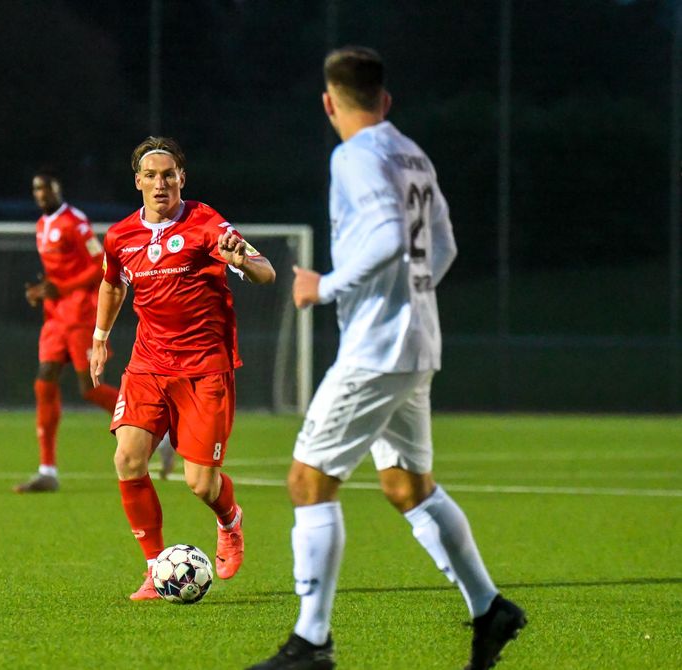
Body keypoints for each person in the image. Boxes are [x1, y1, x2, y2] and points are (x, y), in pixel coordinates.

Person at [249, 47, 526, 670]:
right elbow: (444, 244)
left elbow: (385, 238)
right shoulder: (412, 154)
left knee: (308, 480)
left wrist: (324, 286)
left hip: (376, 347)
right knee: (408, 486)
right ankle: (490, 609)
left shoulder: (354, 155)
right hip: (417, 341)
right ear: (386, 99)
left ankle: (312, 643)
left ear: (329, 102)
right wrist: (411, 296)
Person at [90, 136, 276, 600]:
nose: (160, 183)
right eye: (151, 176)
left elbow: (265, 270)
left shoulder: (206, 223)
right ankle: (156, 570)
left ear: (181, 180)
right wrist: (100, 338)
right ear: (138, 182)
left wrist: (242, 260)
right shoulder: (119, 236)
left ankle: (229, 519)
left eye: (168, 175)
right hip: (148, 364)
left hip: (204, 367)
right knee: (128, 459)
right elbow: (112, 286)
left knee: (200, 482)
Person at [14, 172, 121, 493]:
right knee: (44, 381)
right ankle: (47, 470)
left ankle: (154, 430)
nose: (41, 194)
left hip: (80, 313)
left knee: (89, 387)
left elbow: (100, 263)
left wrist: (61, 288)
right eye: (36, 189)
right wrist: (41, 292)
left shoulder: (75, 221)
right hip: (55, 316)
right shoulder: (41, 226)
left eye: (47, 187)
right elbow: (55, 276)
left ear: (58, 189)